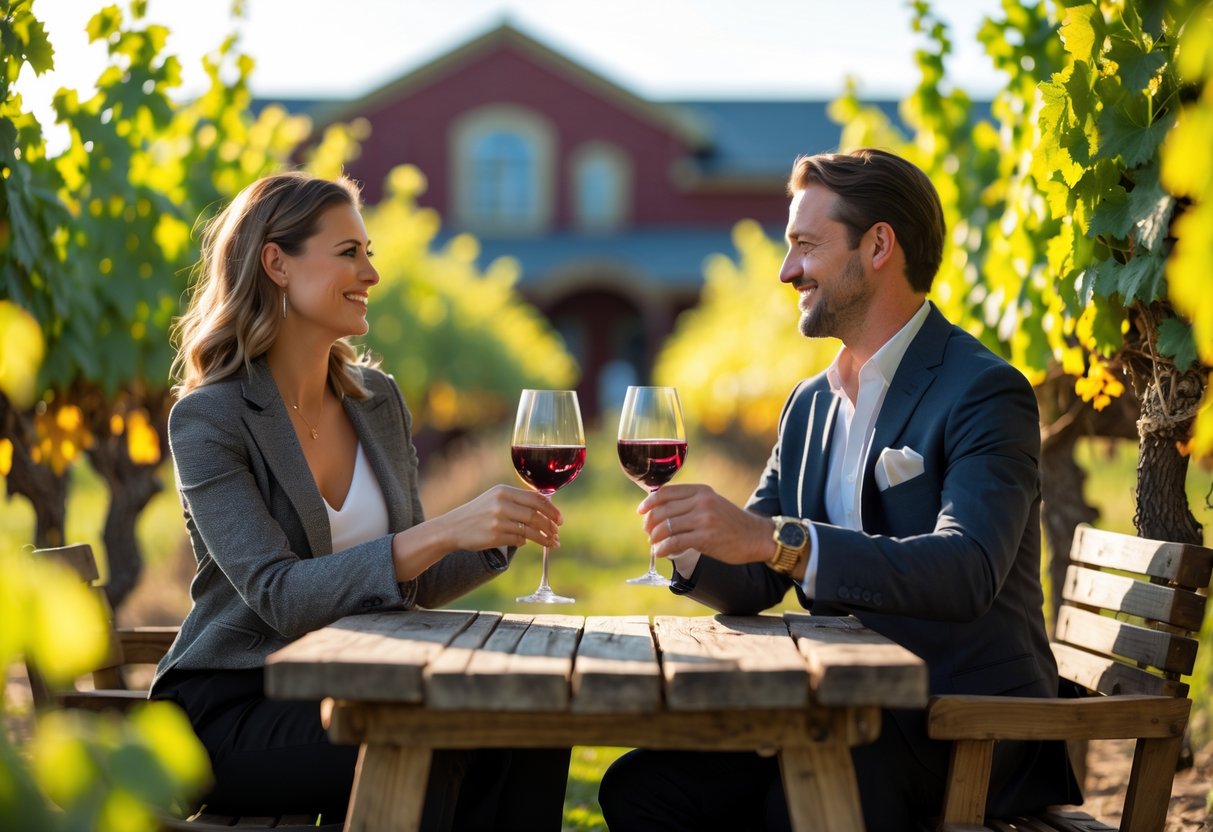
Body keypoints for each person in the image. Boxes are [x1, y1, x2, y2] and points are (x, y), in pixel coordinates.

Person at [598, 148, 1081, 830]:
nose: (786, 269)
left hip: (959, 722)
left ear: (878, 244)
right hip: (838, 711)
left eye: (805, 245)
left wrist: (779, 541)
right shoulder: (808, 404)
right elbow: (757, 578)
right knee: (642, 787)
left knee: (797, 798)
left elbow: (967, 569)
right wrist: (690, 542)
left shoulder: (981, 390)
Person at [150, 171, 569, 829]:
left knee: (532, 721)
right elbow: (280, 596)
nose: (371, 272)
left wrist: (491, 535)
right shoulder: (211, 419)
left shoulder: (376, 401)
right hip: (234, 706)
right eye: (350, 252)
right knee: (438, 746)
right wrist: (441, 530)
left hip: (353, 684)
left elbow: (408, 582)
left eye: (369, 252)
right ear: (276, 263)